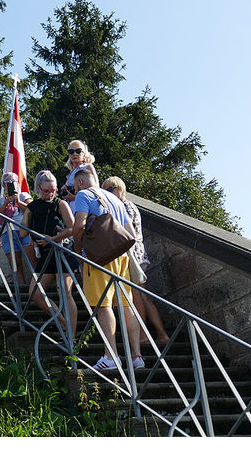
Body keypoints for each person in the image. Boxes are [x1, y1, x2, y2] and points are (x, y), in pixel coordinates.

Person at [71, 167, 143, 371]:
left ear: (80, 183)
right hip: (121, 256)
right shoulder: (115, 199)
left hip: (99, 258)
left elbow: (79, 226)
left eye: (75, 187)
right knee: (126, 306)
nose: (75, 191)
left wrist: (79, 251)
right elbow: (129, 232)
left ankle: (111, 356)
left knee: (102, 306)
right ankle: (137, 356)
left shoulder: (84, 195)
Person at [102, 176, 170, 346]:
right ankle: (160, 334)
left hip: (132, 255)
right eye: (106, 191)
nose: (108, 194)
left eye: (111, 189)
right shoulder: (129, 205)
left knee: (137, 296)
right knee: (142, 296)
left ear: (120, 188)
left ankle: (143, 334)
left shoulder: (124, 206)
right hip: (138, 254)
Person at [21, 170, 78, 340]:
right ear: (38, 189)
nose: (50, 193)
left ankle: (71, 336)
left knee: (65, 292)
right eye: (46, 191)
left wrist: (52, 239)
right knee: (35, 293)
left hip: (62, 251)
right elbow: (22, 233)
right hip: (46, 255)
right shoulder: (33, 207)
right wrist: (24, 209)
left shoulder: (60, 204)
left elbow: (72, 228)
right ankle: (62, 322)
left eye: (53, 190)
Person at [0, 172, 34, 285]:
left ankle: (38, 288)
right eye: (7, 183)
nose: (11, 185)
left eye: (13, 182)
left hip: (24, 231)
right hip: (8, 233)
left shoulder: (24, 195)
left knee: (32, 261)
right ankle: (21, 292)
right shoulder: (0, 201)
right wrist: (5, 204)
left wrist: (18, 202)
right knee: (16, 266)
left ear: (18, 183)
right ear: (4, 186)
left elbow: (33, 210)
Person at [62, 139, 98, 205]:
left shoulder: (87, 167)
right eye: (71, 151)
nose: (74, 154)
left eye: (78, 151)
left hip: (84, 208)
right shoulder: (71, 173)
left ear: (84, 154)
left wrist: (74, 197)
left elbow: (96, 190)